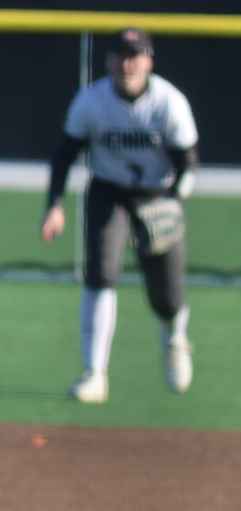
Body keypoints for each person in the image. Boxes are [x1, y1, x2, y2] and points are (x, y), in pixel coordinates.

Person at [41, 27, 199, 403]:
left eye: (135, 55)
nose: (127, 63)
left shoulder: (168, 102)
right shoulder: (92, 101)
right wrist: (55, 205)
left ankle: (174, 338)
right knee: (100, 273)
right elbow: (64, 153)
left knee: (167, 297)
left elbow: (188, 164)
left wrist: (173, 203)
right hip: (109, 191)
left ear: (149, 61)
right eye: (120, 55)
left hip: (157, 194)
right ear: (110, 60)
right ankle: (94, 374)